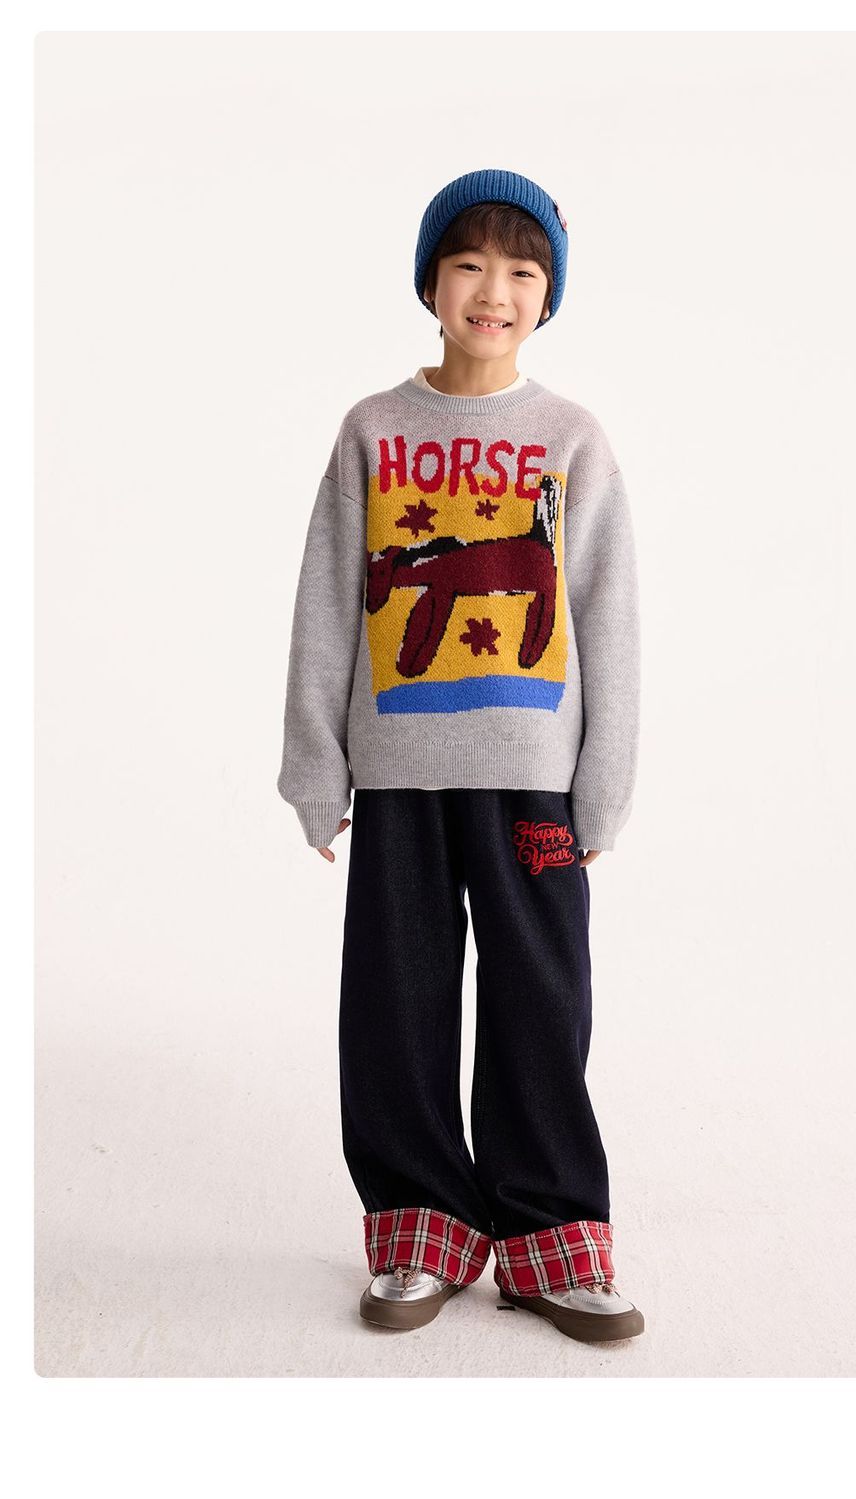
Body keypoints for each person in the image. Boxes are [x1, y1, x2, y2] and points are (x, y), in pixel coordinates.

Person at [276, 168, 643, 1344]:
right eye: (470, 264)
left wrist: (602, 784)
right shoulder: (372, 431)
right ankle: (419, 1224)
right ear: (430, 283)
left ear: (548, 295)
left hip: (533, 773)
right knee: (397, 1001)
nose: (494, 291)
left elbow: (605, 611)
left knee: (542, 998)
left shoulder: (569, 439)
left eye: (522, 271)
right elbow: (329, 598)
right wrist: (314, 765)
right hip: (397, 772)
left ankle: (550, 1235)